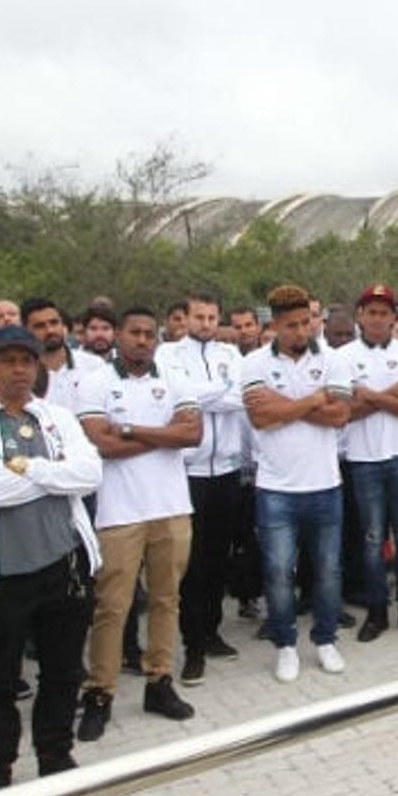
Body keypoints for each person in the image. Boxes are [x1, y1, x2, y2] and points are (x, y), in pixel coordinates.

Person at [0, 325, 102, 794]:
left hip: (63, 562)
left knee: (63, 669)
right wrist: (56, 476)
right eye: (8, 361)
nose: (18, 370)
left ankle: (55, 755)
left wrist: (24, 466)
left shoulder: (56, 416)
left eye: (26, 361)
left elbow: (91, 473)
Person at [73, 307, 200, 739]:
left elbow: (192, 435)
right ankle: (99, 692)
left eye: (149, 334)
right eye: (134, 333)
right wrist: (162, 434)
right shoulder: (94, 383)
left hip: (171, 507)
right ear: (120, 337)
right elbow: (100, 445)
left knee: (167, 599)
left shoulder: (174, 379)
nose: (142, 340)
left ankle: (159, 680)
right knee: (113, 606)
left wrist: (127, 428)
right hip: (119, 513)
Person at [240, 285, 353, 682]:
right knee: (277, 572)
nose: (302, 331)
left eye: (307, 322)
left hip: (325, 485)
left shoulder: (335, 360)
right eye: (292, 325)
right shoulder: (253, 363)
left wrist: (284, 406)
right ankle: (286, 645)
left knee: (326, 570)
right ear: (275, 325)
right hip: (275, 488)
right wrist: (313, 400)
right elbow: (259, 419)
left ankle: (325, 640)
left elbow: (340, 416)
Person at [155, 292, 250, 685]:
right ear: (184, 317)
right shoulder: (168, 355)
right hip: (188, 472)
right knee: (190, 564)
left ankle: (211, 631)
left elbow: (242, 397)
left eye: (213, 316)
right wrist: (216, 391)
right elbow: (180, 399)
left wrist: (202, 393)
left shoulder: (231, 355)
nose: (206, 323)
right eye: (199, 316)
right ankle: (191, 644)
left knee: (217, 557)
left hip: (227, 469)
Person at [337, 284, 398, 641]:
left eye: (384, 312)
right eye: (371, 312)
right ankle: (377, 612)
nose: (378, 319)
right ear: (360, 315)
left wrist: (373, 395)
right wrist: (395, 392)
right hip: (363, 460)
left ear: (395, 317)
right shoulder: (342, 357)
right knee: (373, 539)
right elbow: (346, 412)